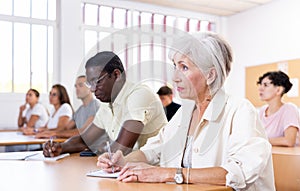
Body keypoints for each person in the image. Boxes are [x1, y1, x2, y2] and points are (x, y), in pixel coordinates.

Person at [97, 32, 275, 190]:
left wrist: (166, 174)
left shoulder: (240, 110)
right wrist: (123, 161)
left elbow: (239, 173)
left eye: (184, 67)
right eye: (175, 66)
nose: (175, 77)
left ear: (210, 75)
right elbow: (155, 149)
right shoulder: (185, 112)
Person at [43, 51, 167, 157]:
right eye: (89, 83)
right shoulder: (107, 104)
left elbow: (122, 148)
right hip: (130, 171)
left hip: (157, 172)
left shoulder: (139, 95)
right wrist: (60, 147)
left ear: (116, 75)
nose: (92, 89)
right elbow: (85, 140)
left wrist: (102, 154)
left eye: (96, 81)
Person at [35, 76, 101, 138]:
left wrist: (55, 133)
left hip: (95, 149)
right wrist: (46, 132)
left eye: (80, 85)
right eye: (76, 86)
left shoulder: (95, 106)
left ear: (91, 87)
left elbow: (84, 131)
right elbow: (66, 128)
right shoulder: (80, 110)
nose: (77, 89)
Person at [257, 71, 300, 147]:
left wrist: (260, 140)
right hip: (270, 154)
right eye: (260, 84)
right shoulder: (262, 111)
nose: (260, 88)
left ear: (279, 90)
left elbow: (289, 141)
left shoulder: (289, 109)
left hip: (288, 157)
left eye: (266, 85)